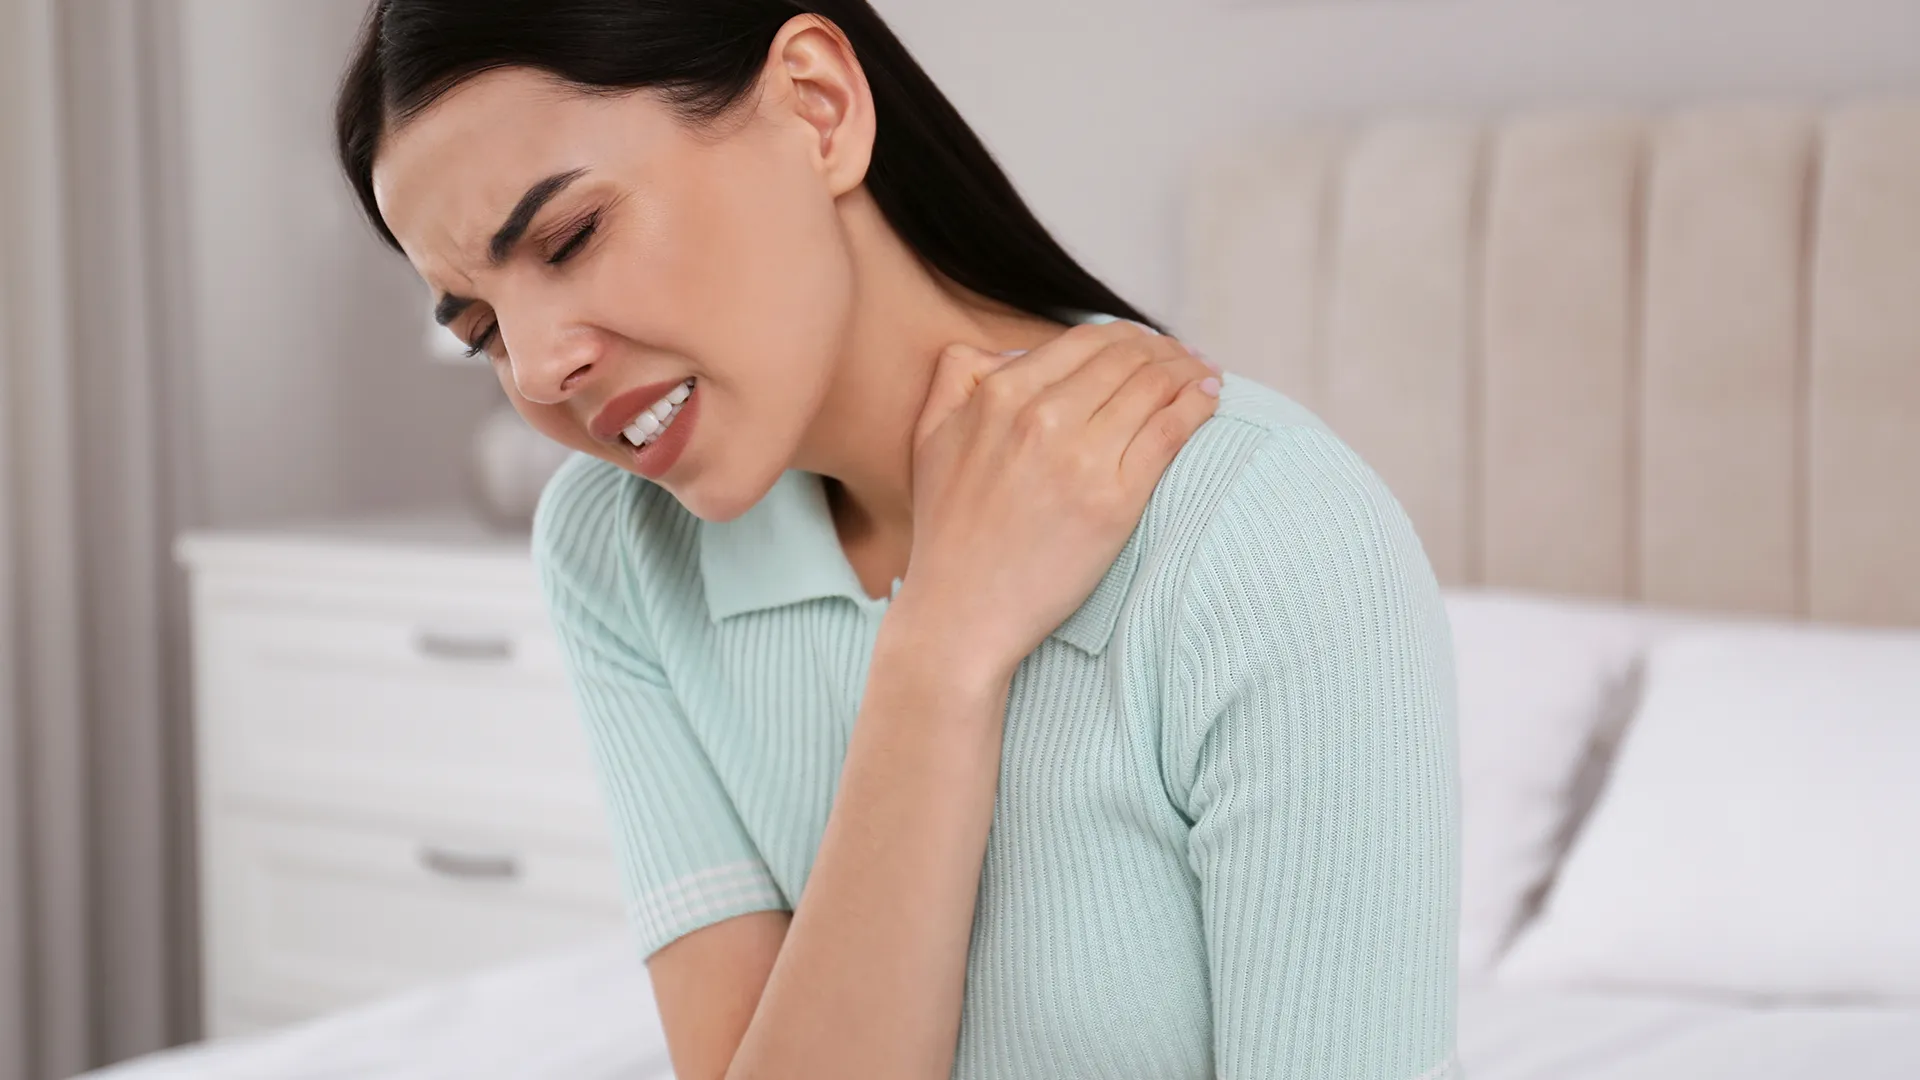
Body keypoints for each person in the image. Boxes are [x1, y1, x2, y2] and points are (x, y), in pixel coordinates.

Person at [334, 2, 1460, 1078]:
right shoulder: (618, 550)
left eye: (571, 237)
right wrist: (940, 651)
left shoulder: (1262, 532)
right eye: (482, 328)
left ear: (817, 106)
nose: (538, 370)